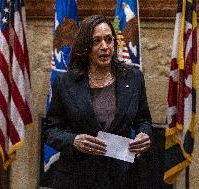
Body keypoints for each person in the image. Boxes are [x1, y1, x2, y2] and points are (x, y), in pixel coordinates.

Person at [45, 15, 152, 189]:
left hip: (121, 177)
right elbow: (50, 130)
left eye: (109, 40)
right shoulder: (65, 83)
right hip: (77, 177)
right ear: (85, 46)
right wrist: (74, 140)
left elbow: (143, 119)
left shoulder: (133, 78)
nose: (105, 47)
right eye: (97, 41)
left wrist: (144, 135)